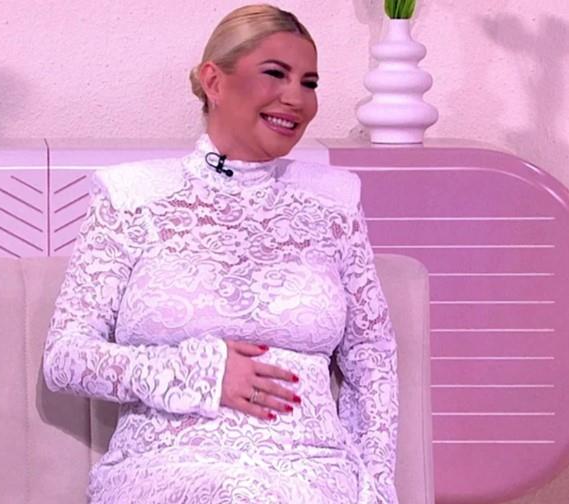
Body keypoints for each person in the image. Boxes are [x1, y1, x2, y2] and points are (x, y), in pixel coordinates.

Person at [42, 4, 398, 503]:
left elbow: (371, 357)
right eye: (275, 73)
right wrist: (201, 372)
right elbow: (65, 358)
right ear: (214, 81)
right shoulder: (132, 196)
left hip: (311, 471)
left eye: (309, 83)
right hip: (166, 466)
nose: (296, 98)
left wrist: (377, 485)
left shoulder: (333, 202)